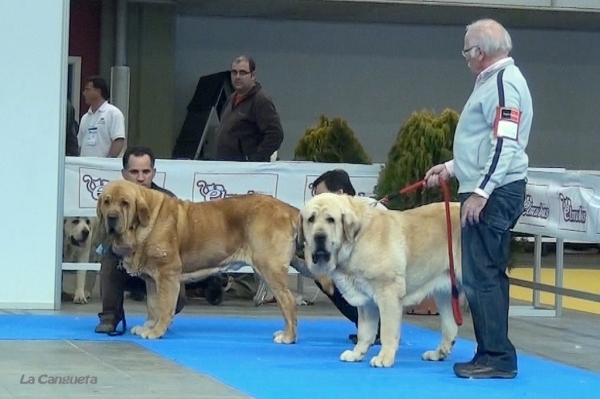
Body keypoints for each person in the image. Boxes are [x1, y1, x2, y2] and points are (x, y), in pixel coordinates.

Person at [424, 19, 532, 379]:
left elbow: (505, 143)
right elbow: (485, 144)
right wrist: (452, 168)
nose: (466, 58)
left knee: (483, 274)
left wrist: (482, 191)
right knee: (482, 273)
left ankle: (497, 357)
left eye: (467, 51)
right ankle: (491, 352)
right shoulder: (492, 82)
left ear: (480, 52)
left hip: (495, 193)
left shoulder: (503, 84)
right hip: (491, 187)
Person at [95, 146, 187, 335]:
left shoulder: (167, 200)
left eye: (145, 172)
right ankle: (110, 316)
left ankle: (159, 318)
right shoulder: (110, 198)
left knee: (175, 293)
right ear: (124, 174)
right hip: (125, 268)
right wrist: (118, 246)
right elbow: (102, 239)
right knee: (109, 260)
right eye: (134, 172)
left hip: (154, 266)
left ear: (153, 172)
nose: (140, 178)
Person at [310, 169, 387, 345]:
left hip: (380, 269)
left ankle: (378, 329)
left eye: (322, 196)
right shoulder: (333, 217)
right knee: (323, 275)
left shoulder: (370, 208)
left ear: (339, 194)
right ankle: (366, 327)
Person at [215, 55, 284, 162]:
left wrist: (255, 160)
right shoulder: (231, 98)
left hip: (246, 171)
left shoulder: (261, 100)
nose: (237, 77)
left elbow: (276, 134)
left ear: (253, 75)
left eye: (242, 73)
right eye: (234, 72)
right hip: (225, 167)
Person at [77, 76, 126, 158]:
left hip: (102, 167)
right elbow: (80, 144)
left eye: (87, 89)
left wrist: (107, 162)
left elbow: (118, 140)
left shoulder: (113, 113)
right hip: (84, 167)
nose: (84, 93)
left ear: (98, 91)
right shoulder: (85, 117)